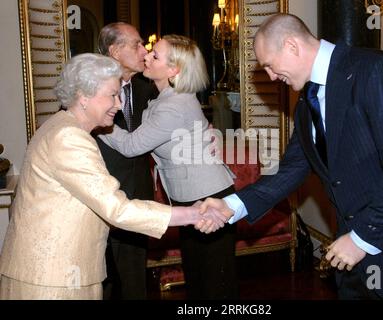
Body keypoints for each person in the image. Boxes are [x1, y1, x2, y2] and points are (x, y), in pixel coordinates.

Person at [199, 13, 383, 300]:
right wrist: (232, 205)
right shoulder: (306, 104)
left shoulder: (378, 71)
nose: (270, 76)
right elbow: (292, 169)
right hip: (352, 256)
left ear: (292, 46)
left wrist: (362, 239)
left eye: (269, 65)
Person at [0, 53, 223, 300]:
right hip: (52, 280)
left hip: (51, 273)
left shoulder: (62, 126)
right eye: (112, 95)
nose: (118, 104)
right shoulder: (69, 138)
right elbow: (117, 209)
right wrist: (194, 213)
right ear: (84, 96)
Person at [99, 34, 239, 300]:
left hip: (208, 197)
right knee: (198, 279)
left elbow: (131, 146)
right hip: (189, 198)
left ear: (174, 70)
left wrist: (95, 120)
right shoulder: (164, 96)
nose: (147, 56)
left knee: (215, 283)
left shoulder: (175, 104)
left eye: (155, 55)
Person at [95, 22, 159, 300]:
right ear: (115, 51)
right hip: (100, 198)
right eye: (136, 44)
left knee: (135, 280)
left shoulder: (149, 88)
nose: (144, 50)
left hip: (139, 196)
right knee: (102, 279)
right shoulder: (88, 89)